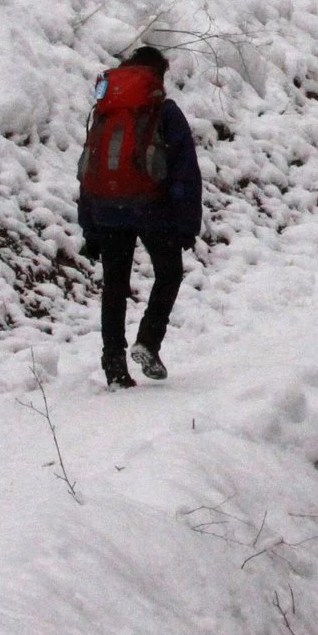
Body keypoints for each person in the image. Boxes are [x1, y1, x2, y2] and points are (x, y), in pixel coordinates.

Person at [78, 45, 202, 385]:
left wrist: (89, 227)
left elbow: (89, 169)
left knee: (114, 286)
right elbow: (185, 173)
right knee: (169, 273)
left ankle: (114, 365)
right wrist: (187, 226)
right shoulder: (164, 112)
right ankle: (148, 341)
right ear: (157, 76)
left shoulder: (105, 112)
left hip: (105, 208)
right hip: (152, 209)